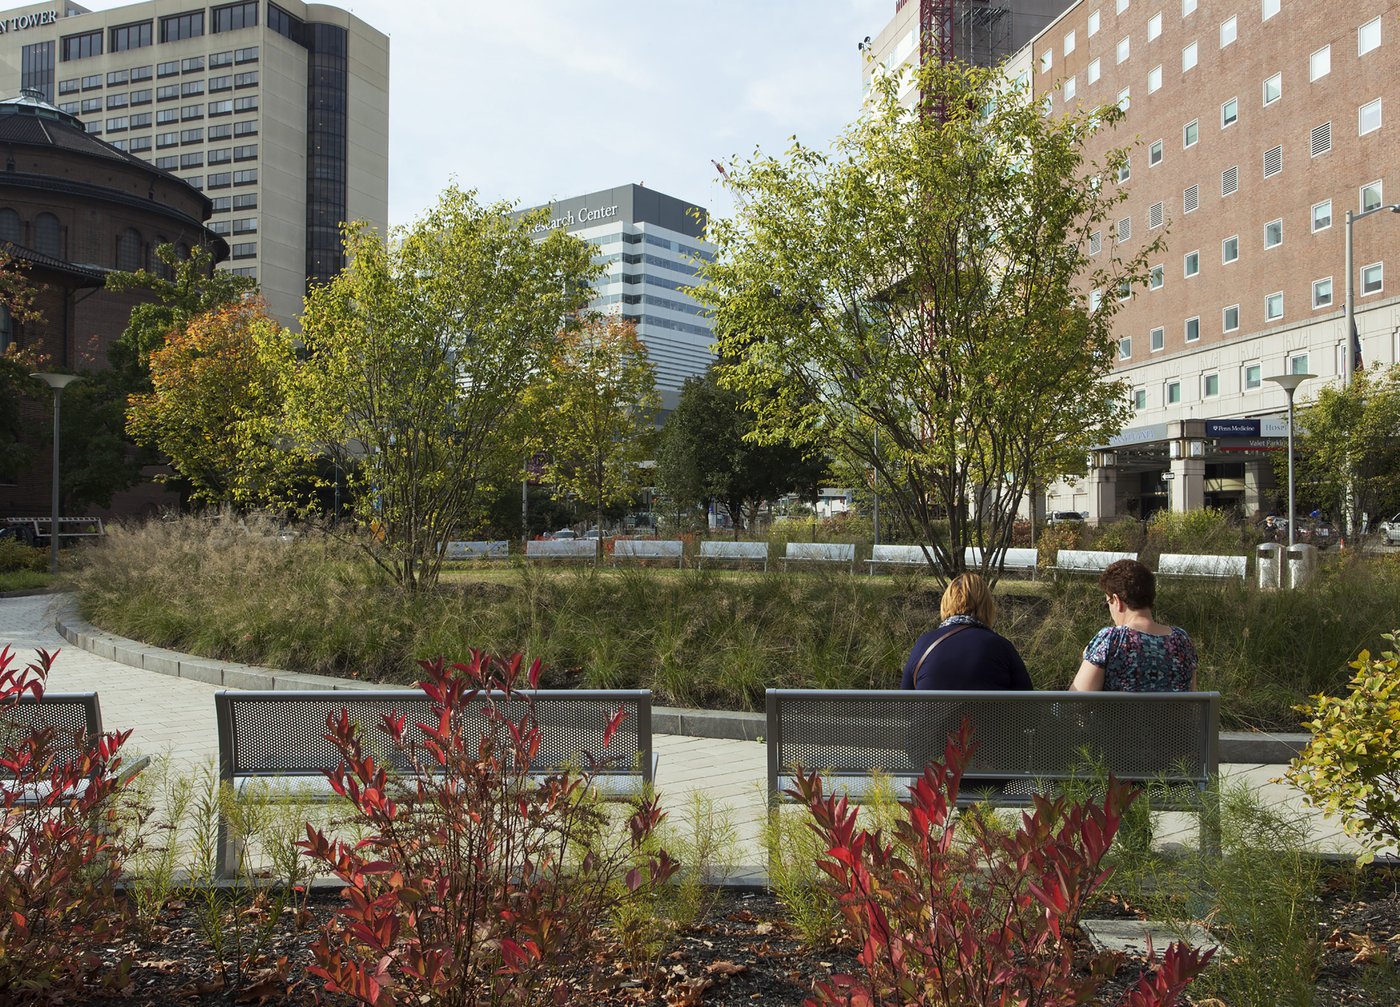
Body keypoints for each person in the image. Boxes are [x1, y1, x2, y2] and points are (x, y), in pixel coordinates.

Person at [1071, 559, 1197, 692]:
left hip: (1118, 714)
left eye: (1107, 603)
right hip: (1173, 714)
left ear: (1117, 600)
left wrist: (1091, 655)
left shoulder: (1112, 639)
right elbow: (1192, 700)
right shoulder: (1182, 640)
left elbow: (1074, 703)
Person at [901, 573, 1032, 691]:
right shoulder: (1001, 647)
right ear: (987, 606)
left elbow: (904, 704)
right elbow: (1030, 705)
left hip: (930, 719)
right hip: (986, 718)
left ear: (945, 604)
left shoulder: (923, 644)